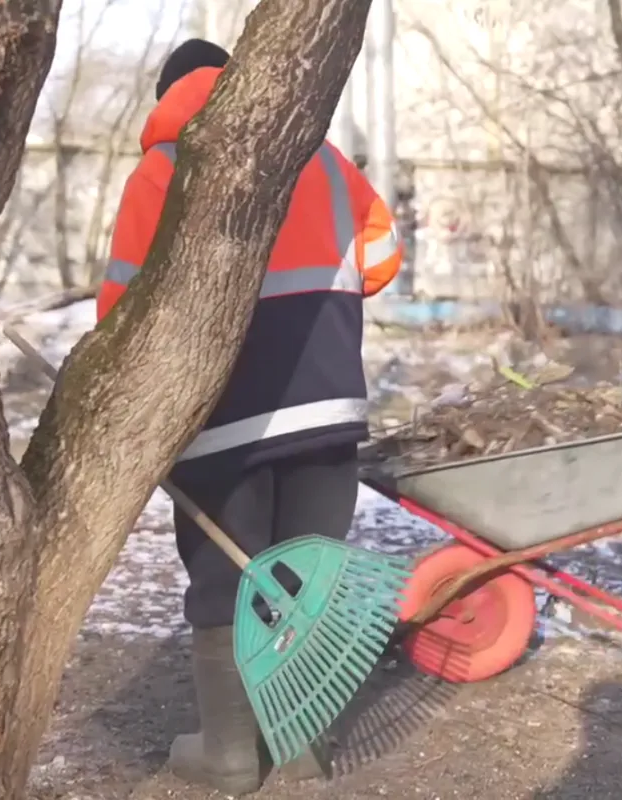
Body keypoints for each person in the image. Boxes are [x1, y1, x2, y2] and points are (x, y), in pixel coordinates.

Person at [96, 38, 403, 794]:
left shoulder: (164, 170)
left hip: (222, 421)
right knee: (306, 575)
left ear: (171, 97)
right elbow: (383, 256)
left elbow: (120, 314)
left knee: (224, 578)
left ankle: (231, 757)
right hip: (329, 405)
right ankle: (299, 751)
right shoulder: (324, 159)